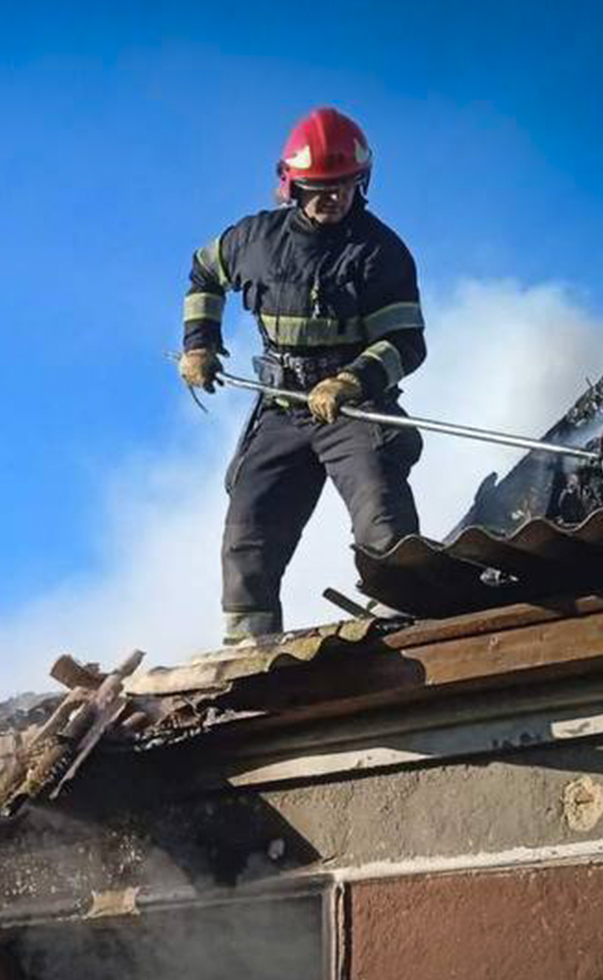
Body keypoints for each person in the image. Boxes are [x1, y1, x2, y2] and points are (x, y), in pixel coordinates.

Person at [178, 107, 429, 643]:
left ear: (361, 183)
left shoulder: (381, 253)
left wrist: (350, 382)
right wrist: (199, 344)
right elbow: (204, 272)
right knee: (249, 529)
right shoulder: (253, 240)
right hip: (281, 404)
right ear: (291, 185)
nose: (331, 198)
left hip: (350, 409)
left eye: (343, 186)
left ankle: (405, 623)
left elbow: (407, 343)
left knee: (381, 514)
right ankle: (249, 646)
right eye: (317, 188)